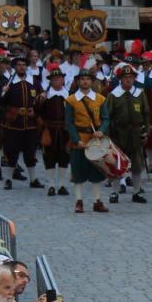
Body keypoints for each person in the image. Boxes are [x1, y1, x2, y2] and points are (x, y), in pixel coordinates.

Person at [105, 63, 151, 203]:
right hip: (119, 133)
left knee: (137, 164)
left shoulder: (139, 94)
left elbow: (146, 113)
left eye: (131, 77)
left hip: (136, 133)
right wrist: (108, 135)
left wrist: (146, 131)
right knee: (116, 164)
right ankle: (115, 191)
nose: (129, 80)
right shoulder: (114, 95)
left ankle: (136, 191)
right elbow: (107, 116)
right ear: (120, 79)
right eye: (126, 77)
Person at [65, 69, 110, 213]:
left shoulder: (100, 99)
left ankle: (97, 201)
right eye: (82, 79)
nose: (85, 81)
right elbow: (69, 122)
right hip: (80, 140)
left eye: (88, 79)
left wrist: (102, 130)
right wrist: (76, 139)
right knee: (77, 171)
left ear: (92, 81)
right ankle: (79, 201)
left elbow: (106, 118)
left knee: (96, 172)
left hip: (95, 140)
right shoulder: (71, 100)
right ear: (78, 81)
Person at [1, 57, 42, 191]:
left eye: (24, 65)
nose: (22, 67)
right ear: (14, 67)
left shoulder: (34, 82)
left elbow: (40, 100)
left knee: (30, 152)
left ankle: (33, 179)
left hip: (30, 124)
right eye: (19, 65)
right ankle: (8, 179)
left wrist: (35, 111)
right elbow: (0, 101)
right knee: (11, 151)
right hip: (14, 123)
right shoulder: (10, 83)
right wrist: (3, 92)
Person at [37, 65, 71, 196]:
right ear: (51, 80)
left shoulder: (69, 96)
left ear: (63, 80)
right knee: (49, 157)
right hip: (49, 130)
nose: (57, 80)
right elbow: (36, 111)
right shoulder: (45, 96)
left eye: (59, 78)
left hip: (64, 130)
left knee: (64, 157)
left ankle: (62, 185)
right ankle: (51, 185)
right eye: (54, 78)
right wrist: (40, 101)